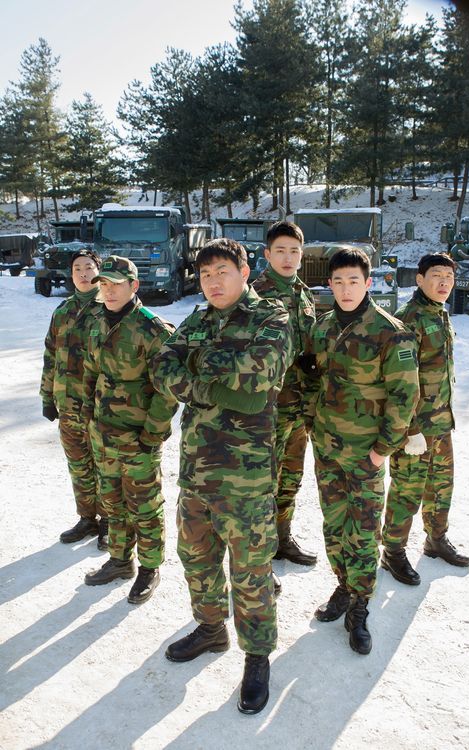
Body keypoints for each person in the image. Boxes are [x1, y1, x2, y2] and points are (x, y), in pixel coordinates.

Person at [152, 238, 292, 715]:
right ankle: (211, 628)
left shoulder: (271, 318)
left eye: (222, 272)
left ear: (244, 272)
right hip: (196, 469)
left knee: (251, 571)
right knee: (197, 557)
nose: (213, 282)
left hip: (245, 477)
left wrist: (195, 364)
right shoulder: (197, 320)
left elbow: (260, 373)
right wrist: (213, 386)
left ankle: (257, 655)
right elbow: (161, 366)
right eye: (205, 274)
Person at [308, 248, 419, 654]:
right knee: (334, 525)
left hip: (365, 453)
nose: (346, 289)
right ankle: (344, 586)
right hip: (327, 448)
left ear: (368, 283)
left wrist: (381, 451)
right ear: (329, 284)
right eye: (338, 281)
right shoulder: (322, 328)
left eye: (354, 281)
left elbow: (405, 397)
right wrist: (312, 426)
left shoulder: (391, 332)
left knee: (364, 531)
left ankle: (360, 605)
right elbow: (313, 379)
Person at [82, 255, 177, 605]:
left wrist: (151, 434)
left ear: (134, 286)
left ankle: (149, 568)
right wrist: (87, 413)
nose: (108, 291)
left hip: (138, 437)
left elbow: (168, 392)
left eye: (116, 284)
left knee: (144, 505)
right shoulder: (97, 322)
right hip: (103, 433)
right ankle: (121, 560)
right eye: (104, 284)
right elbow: (91, 371)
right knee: (112, 501)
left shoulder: (153, 330)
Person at [381, 253, 469, 584]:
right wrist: (410, 429)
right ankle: (393, 551)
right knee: (407, 490)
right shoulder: (409, 318)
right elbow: (397, 379)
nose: (444, 281)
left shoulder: (439, 313)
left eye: (449, 276)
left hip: (441, 422)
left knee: (441, 485)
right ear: (419, 280)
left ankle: (436, 539)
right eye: (437, 275)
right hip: (415, 428)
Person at [252, 221, 317, 566]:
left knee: (291, 475)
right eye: (280, 251)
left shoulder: (303, 293)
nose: (288, 258)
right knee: (264, 481)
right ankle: (259, 554)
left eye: (294, 251)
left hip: (299, 405)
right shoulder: (255, 295)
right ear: (267, 254)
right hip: (269, 408)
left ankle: (282, 537)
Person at [40, 248, 108, 549]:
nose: (83, 273)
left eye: (88, 267)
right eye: (77, 268)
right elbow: (50, 356)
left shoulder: (109, 306)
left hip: (99, 406)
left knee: (104, 466)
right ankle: (87, 518)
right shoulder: (63, 311)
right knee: (79, 465)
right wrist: (47, 395)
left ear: (99, 271)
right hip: (68, 405)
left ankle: (109, 521)